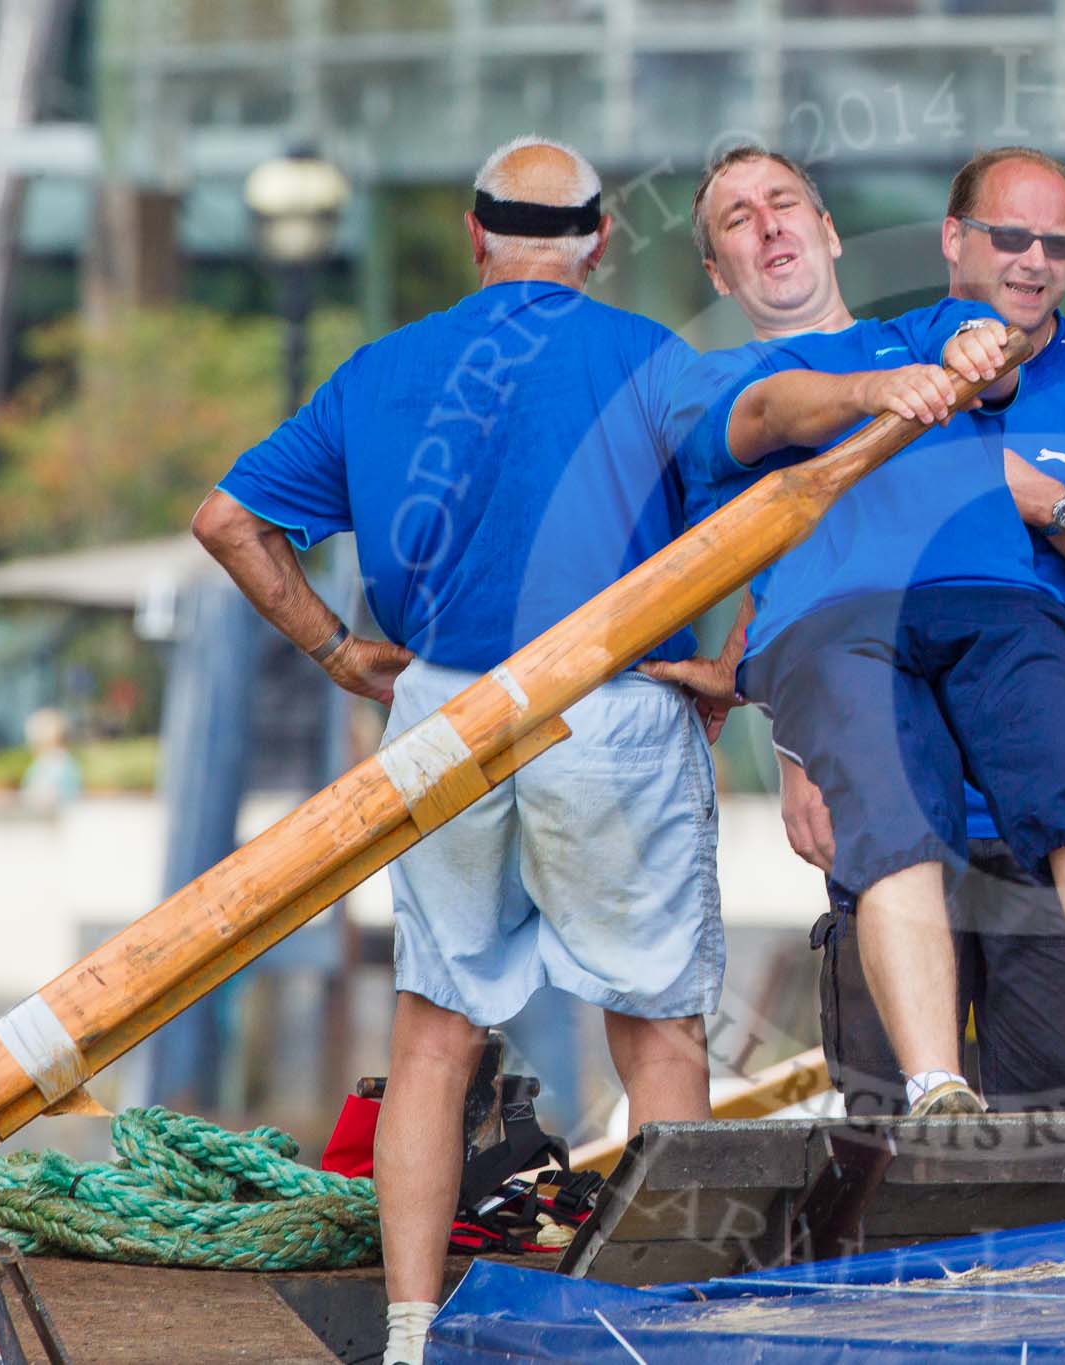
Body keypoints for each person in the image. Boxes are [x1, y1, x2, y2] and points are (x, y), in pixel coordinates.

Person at [192, 137, 729, 1365]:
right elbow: (763, 507)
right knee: (655, 1029)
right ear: (595, 242)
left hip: (440, 705)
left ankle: (409, 1332)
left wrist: (337, 650)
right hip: (603, 693)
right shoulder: (648, 356)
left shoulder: (383, 366)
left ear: (474, 236)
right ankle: (674, 1332)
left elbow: (229, 520)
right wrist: (727, 667)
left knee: (434, 1032)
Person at [683, 150, 1065, 1121]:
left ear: (831, 232)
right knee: (897, 1150)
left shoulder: (1028, 357)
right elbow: (779, 484)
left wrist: (1029, 472)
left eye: (783, 203)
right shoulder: (759, 379)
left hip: (1032, 778)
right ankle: (934, 1093)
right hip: (878, 745)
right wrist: (791, 752)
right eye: (738, 219)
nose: (1034, 259)